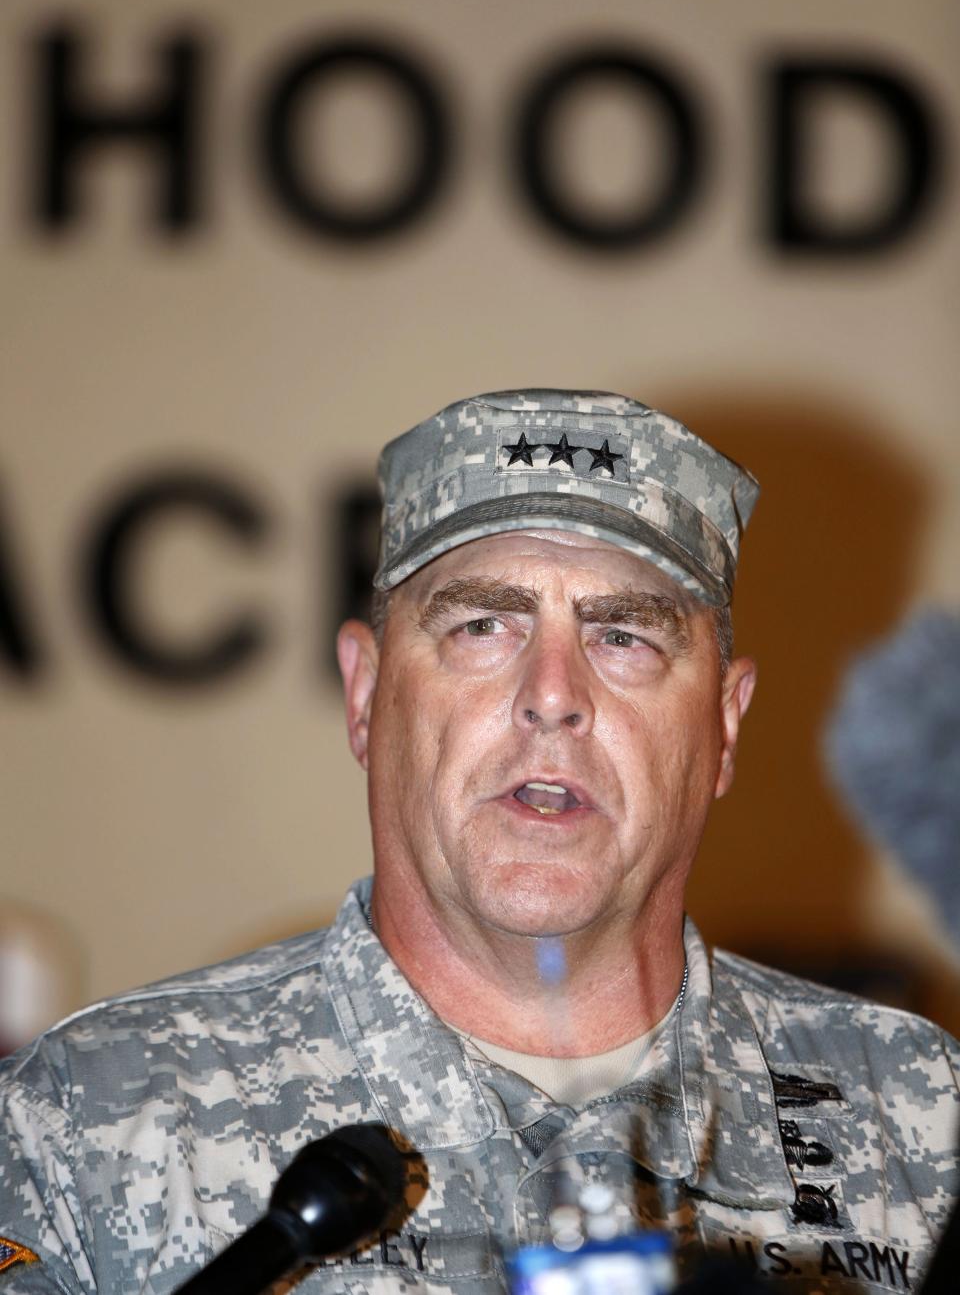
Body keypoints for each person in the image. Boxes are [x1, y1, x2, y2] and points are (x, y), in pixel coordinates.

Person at [0, 388, 956, 1295]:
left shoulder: (921, 1123)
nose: (553, 693)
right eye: (482, 624)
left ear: (726, 724)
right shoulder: (84, 1119)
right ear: (366, 696)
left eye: (623, 635)